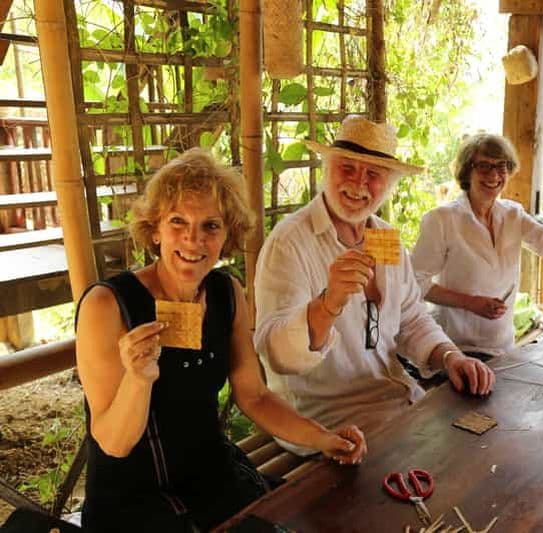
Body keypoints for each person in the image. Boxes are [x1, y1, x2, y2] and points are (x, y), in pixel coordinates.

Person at [75, 149, 367, 533]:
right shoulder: (108, 305)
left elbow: (255, 396)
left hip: (210, 478)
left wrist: (324, 439)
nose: (193, 240)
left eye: (211, 226)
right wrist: (139, 379)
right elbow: (114, 444)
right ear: (155, 229)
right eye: (178, 221)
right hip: (134, 501)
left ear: (228, 233)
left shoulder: (226, 291)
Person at [253, 116, 495, 454]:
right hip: (328, 426)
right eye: (347, 168)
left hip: (400, 403)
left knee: (482, 452)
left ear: (390, 183)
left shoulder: (384, 238)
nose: (358, 183)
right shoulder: (289, 243)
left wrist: (451, 356)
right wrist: (328, 304)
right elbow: (275, 353)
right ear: (327, 167)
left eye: (373, 174)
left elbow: (411, 317)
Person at [411, 133, 543, 357]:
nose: (494, 174)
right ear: (467, 171)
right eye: (484, 166)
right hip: (455, 349)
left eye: (502, 166)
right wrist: (471, 303)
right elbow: (416, 281)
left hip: (504, 347)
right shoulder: (441, 219)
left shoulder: (512, 214)